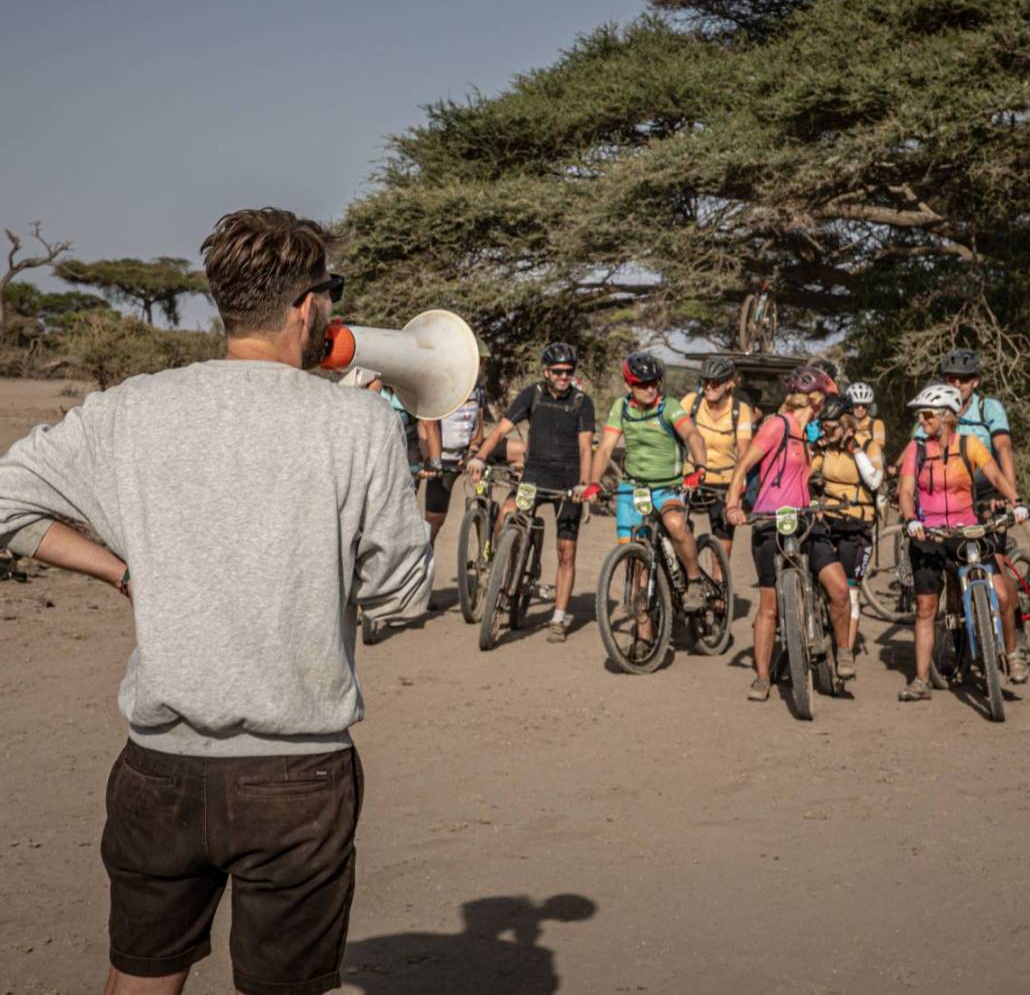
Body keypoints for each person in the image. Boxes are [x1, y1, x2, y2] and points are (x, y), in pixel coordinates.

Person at [0, 208, 434, 995]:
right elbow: (398, 595)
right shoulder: (360, 423)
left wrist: (120, 570)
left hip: (158, 770)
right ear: (308, 306)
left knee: (140, 979)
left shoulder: (131, 407)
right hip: (298, 781)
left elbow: (8, 503)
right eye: (330, 292)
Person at [726, 367, 855, 700]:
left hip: (805, 519)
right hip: (770, 520)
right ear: (814, 400)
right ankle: (762, 677)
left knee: (839, 590)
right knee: (769, 605)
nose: (829, 407)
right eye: (826, 400)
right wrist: (733, 505)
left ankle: (843, 652)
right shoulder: (776, 425)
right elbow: (742, 466)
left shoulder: (809, 432)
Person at [896, 383, 1029, 702]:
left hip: (966, 529)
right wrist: (910, 519)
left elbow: (996, 476)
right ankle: (921, 678)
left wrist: (1016, 501)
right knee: (926, 608)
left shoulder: (970, 445)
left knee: (1001, 592)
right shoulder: (916, 449)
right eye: (921, 415)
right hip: (928, 533)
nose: (922, 421)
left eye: (927, 415)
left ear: (946, 417)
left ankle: (1012, 654)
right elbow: (904, 489)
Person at [468, 343, 593, 643]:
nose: (565, 377)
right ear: (546, 371)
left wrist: (584, 484)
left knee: (566, 552)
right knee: (508, 515)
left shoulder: (581, 401)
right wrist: (480, 457)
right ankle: (502, 569)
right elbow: (499, 430)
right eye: (559, 372)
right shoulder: (533, 394)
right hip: (535, 474)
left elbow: (586, 447)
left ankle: (559, 618)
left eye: (569, 372)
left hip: (568, 480)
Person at [583, 352, 709, 613]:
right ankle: (644, 639)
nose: (650, 389)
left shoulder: (669, 406)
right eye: (642, 384)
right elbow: (605, 450)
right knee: (637, 561)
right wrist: (593, 483)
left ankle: (694, 580)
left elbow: (692, 435)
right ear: (629, 386)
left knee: (675, 523)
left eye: (654, 383)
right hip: (633, 489)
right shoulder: (622, 408)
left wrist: (699, 467)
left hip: (669, 487)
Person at [810, 394, 885, 657]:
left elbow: (874, 481)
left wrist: (854, 448)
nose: (825, 432)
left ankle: (846, 652)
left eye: (830, 428)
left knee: (851, 590)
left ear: (847, 426)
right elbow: (805, 471)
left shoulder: (869, 446)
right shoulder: (826, 448)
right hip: (829, 519)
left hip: (856, 525)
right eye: (822, 427)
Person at [680, 356, 754, 559]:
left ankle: (720, 587)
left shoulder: (740, 410)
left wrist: (736, 494)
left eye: (716, 382)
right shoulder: (690, 403)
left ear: (729, 383)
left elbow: (744, 454)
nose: (709, 387)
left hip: (723, 481)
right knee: (677, 531)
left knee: (723, 549)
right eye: (705, 381)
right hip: (691, 478)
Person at [424, 369, 486, 546]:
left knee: (484, 497)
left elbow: (479, 424)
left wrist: (474, 451)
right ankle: (423, 559)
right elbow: (427, 423)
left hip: (466, 453)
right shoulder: (441, 386)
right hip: (443, 457)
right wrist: (432, 459)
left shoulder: (479, 389)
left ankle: (488, 551)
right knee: (434, 518)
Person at [846, 382, 886, 451]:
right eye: (856, 405)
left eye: (864, 405)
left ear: (869, 407)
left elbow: (878, 446)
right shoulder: (845, 424)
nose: (860, 409)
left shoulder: (876, 424)